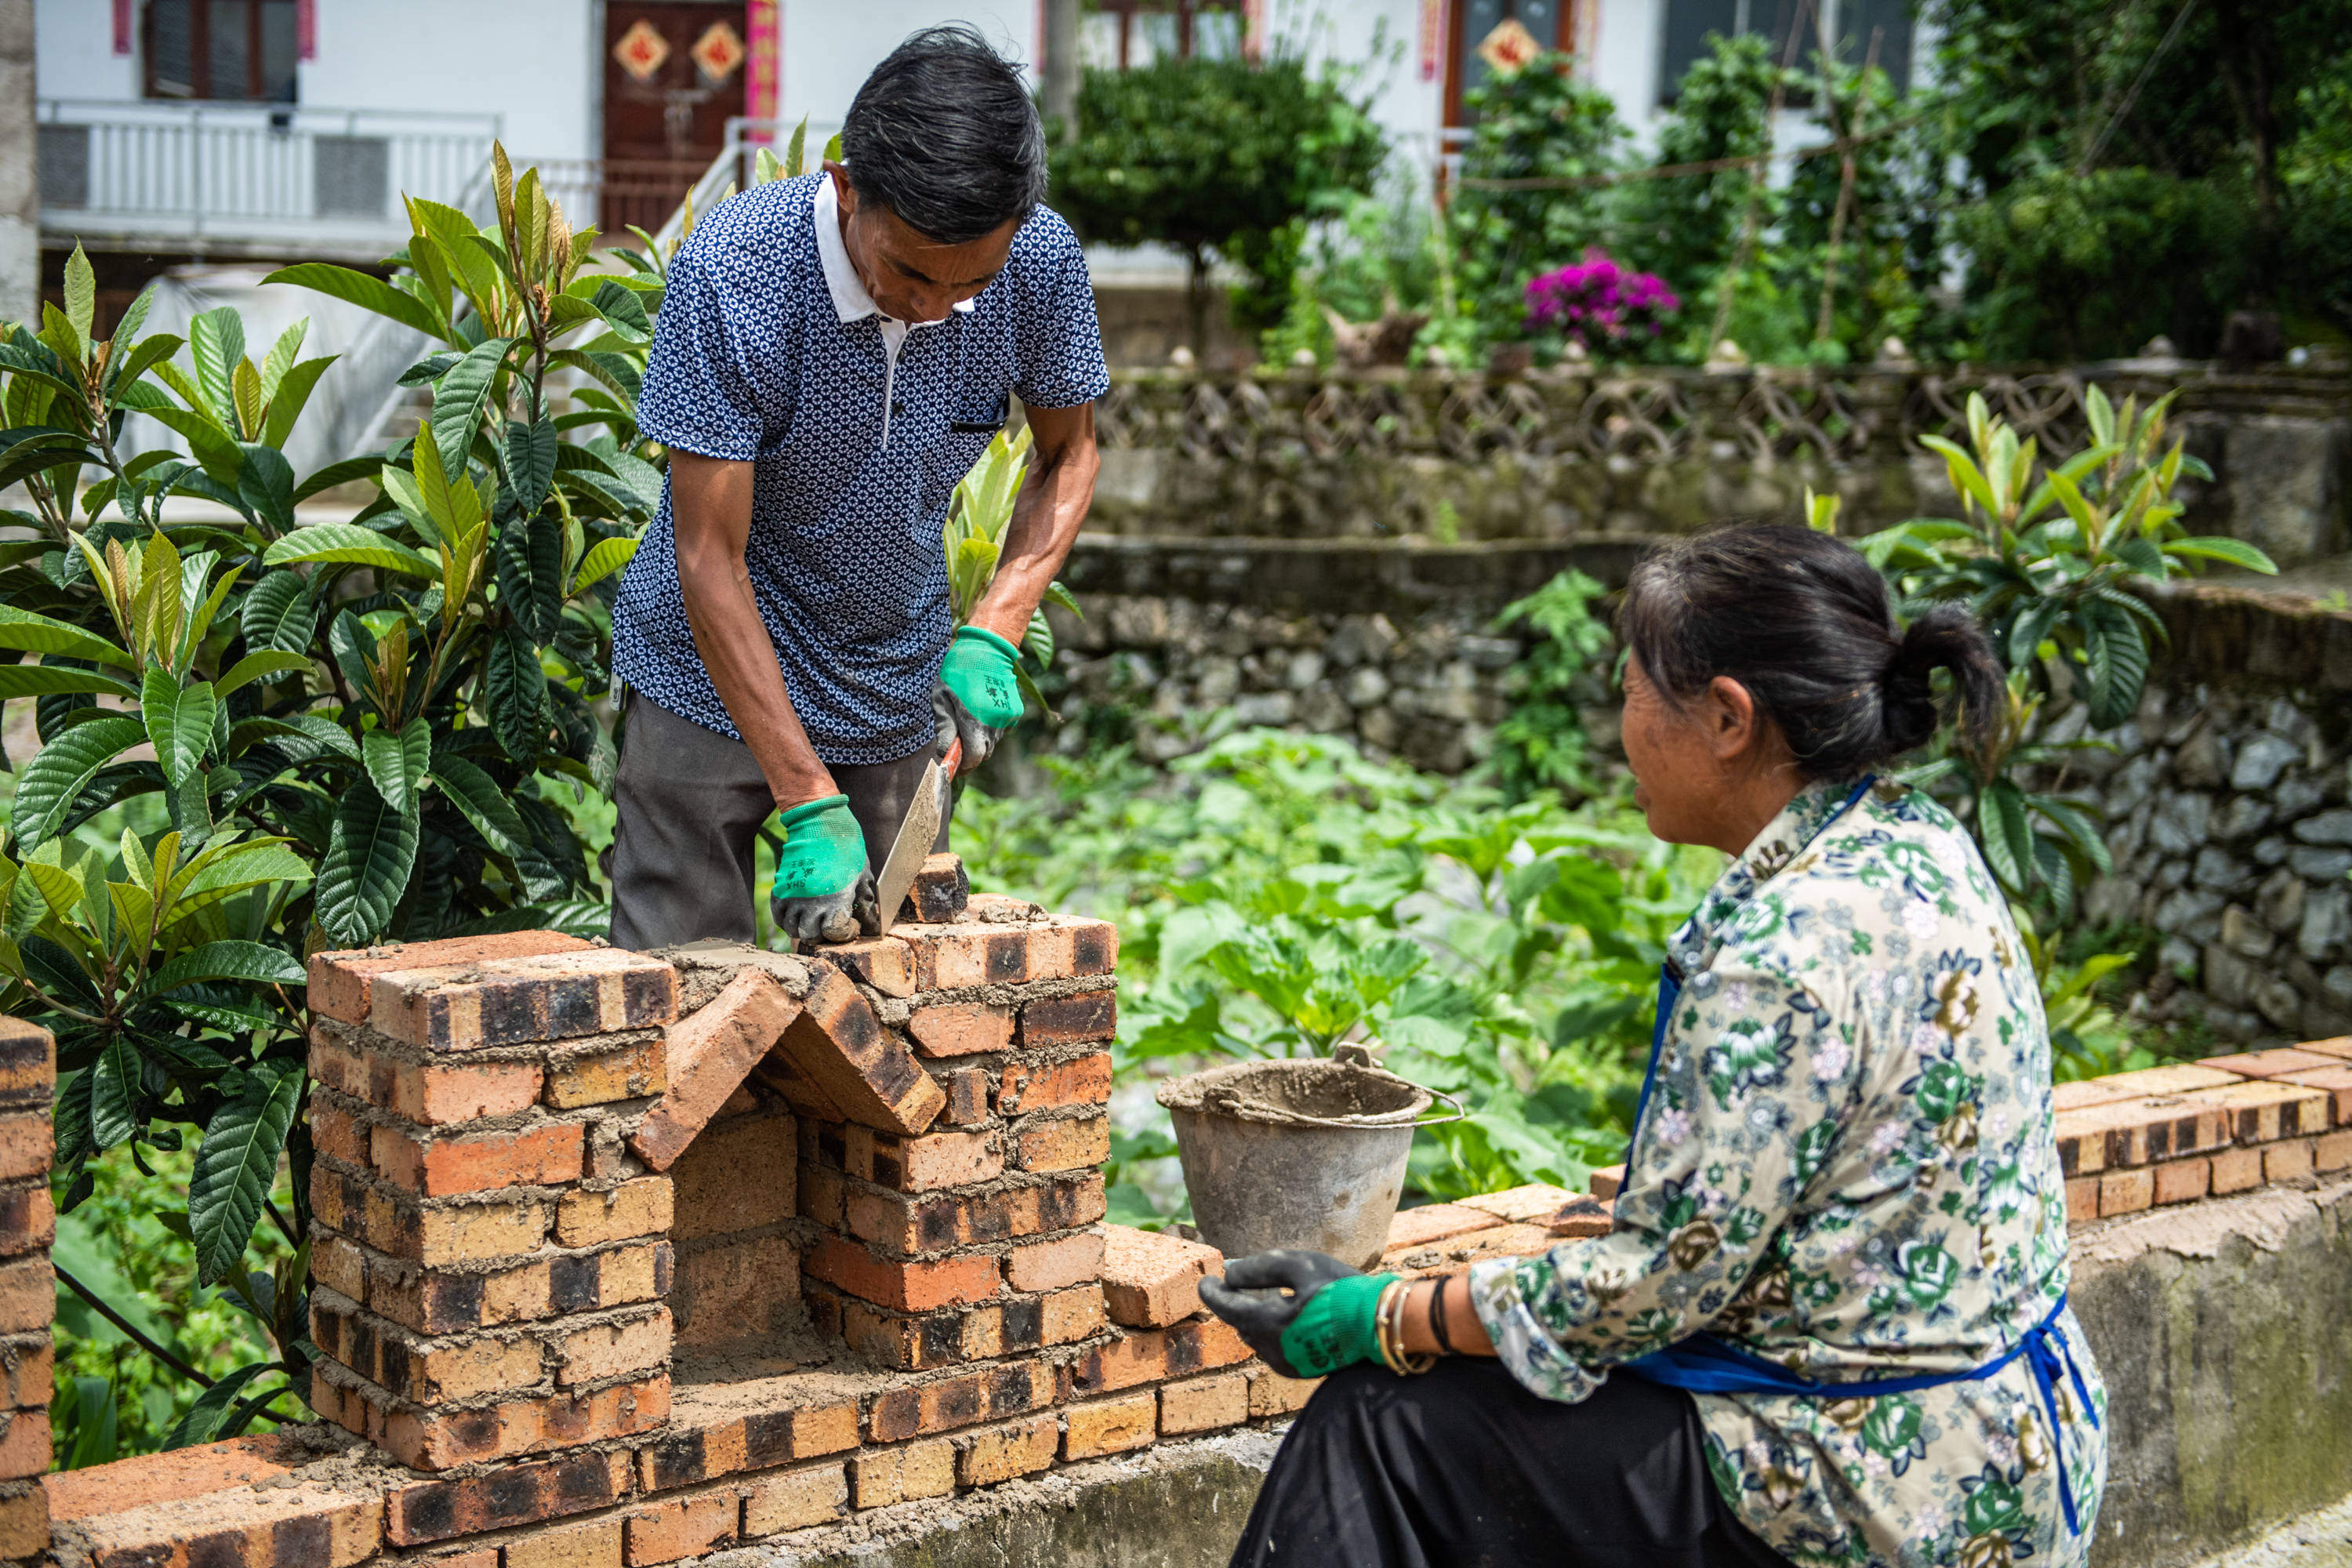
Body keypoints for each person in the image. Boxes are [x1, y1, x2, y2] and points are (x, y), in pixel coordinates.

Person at [1201, 521, 2109, 1568]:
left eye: (1632, 690)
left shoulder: (1782, 954)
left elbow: (1651, 1290)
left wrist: (1387, 1315)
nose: (1619, 724)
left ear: (1727, 718)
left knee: (1381, 1423)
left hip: (1872, 1486)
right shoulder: (1920, 841)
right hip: (2017, 1442)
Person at [604, 26, 1106, 951]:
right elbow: (706, 556)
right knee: (672, 1003)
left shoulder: (1038, 263)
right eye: (910, 270)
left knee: (897, 1018)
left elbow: (1069, 456)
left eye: (972, 282)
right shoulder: (737, 269)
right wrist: (805, 797)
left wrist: (995, 627)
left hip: (888, 682)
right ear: (843, 185)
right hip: (701, 678)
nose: (935, 305)